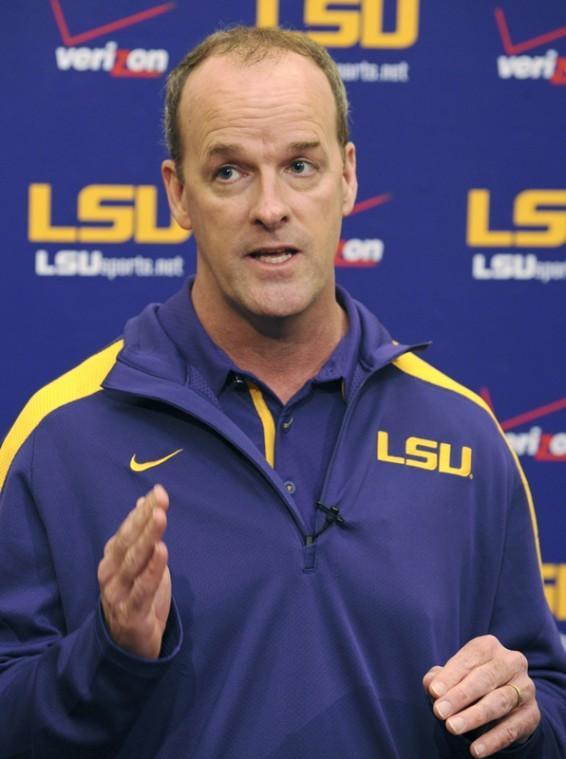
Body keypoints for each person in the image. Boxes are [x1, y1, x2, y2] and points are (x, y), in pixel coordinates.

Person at [0, 25, 564, 759]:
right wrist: (108, 655)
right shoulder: (60, 434)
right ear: (177, 192)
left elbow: (544, 696)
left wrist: (518, 715)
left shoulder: (465, 430)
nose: (271, 206)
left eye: (300, 164)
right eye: (230, 172)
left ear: (348, 176)